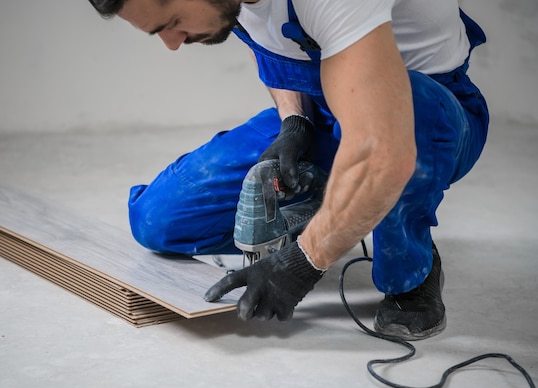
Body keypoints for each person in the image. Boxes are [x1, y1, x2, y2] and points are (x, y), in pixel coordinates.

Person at [87, 0, 489, 340]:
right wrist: (295, 122)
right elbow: (272, 42)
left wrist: (300, 264)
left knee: (398, 133)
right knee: (159, 220)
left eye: (173, 22)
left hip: (426, 117)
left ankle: (411, 273)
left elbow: (385, 149)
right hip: (327, 107)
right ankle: (339, 206)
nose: (172, 43)